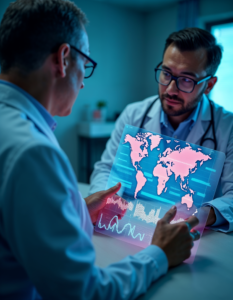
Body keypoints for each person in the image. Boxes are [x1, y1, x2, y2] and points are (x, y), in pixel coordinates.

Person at [0, 1, 200, 300]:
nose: (82, 83)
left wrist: (79, 208)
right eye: (86, 63)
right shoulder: (33, 152)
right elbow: (84, 292)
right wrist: (159, 253)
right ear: (64, 58)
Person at [90, 27, 233, 233]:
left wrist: (195, 220)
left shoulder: (227, 126)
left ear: (209, 85)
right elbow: (107, 170)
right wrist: (106, 201)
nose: (170, 89)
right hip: (128, 227)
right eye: (166, 73)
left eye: (186, 80)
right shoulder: (134, 114)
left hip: (192, 236)